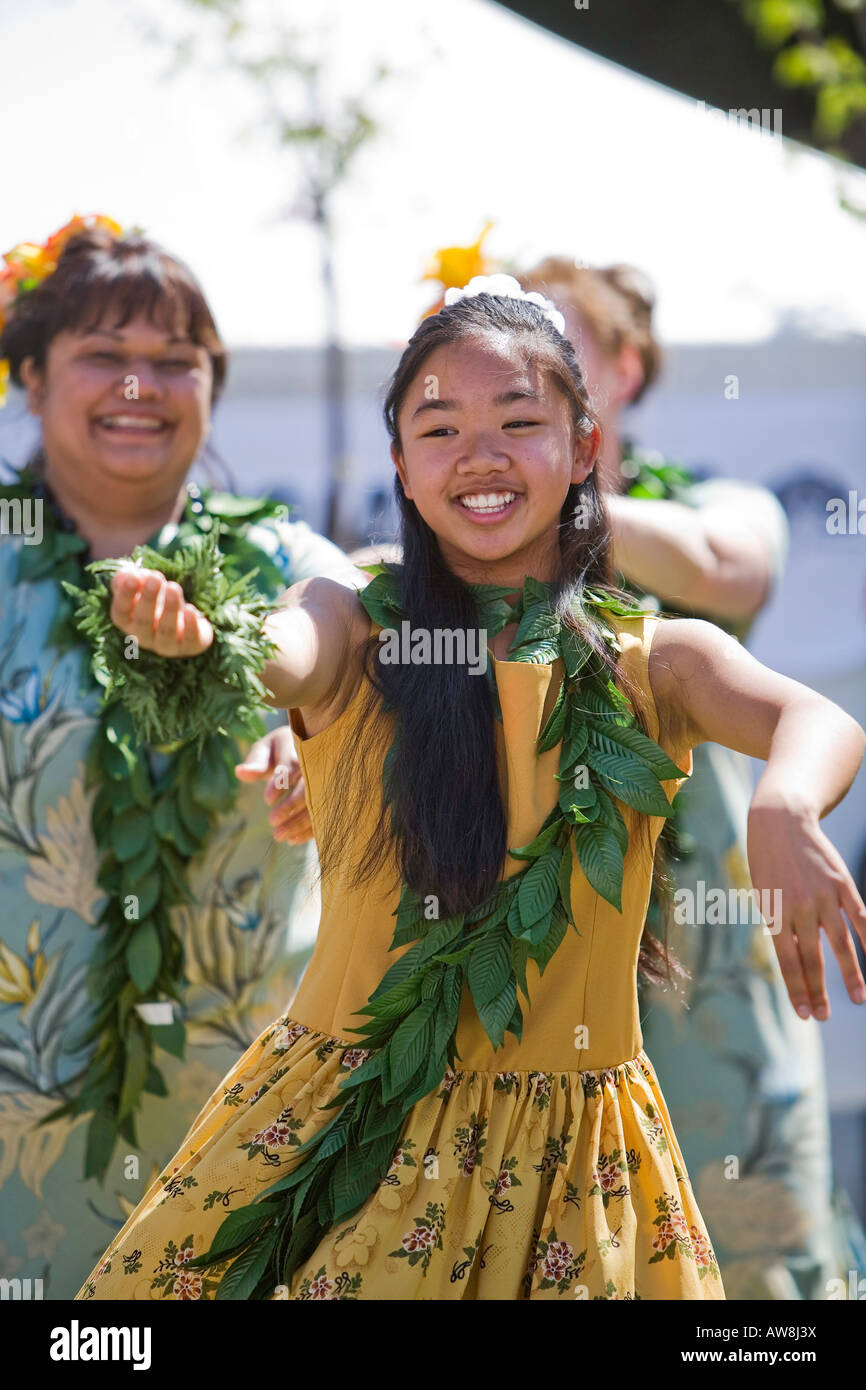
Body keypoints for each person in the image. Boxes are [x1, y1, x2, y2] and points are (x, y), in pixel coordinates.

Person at [76, 276, 865, 1302]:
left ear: (584, 447)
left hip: (571, 1172)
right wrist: (204, 636)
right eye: (439, 427)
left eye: (519, 420)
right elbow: (284, 647)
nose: (480, 454)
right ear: (400, 465)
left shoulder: (653, 657)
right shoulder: (354, 618)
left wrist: (783, 802)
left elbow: (816, 720)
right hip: (337, 1130)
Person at [0, 215, 359, 1298]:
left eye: (174, 362)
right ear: (27, 375)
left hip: (253, 1099)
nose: (139, 387)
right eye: (102, 356)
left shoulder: (291, 562)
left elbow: (345, 671)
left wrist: (324, 748)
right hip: (20, 1106)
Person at [518, 254, 860, 1299]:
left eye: (554, 348)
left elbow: (725, 567)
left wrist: (516, 491)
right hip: (533, 995)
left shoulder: (716, 504)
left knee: (754, 1294)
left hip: (712, 1001)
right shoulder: (457, 560)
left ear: (621, 369)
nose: (524, 373)